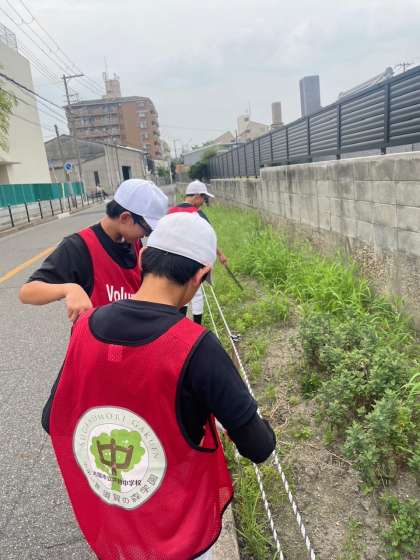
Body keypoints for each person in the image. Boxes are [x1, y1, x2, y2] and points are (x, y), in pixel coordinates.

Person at [45, 212, 275, 560]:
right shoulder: (196, 347)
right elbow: (258, 446)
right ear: (199, 275)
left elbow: (53, 419)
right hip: (175, 529)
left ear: (142, 260)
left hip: (114, 520)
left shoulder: (85, 326)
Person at [19, 178, 168, 322]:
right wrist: (69, 289)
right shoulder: (78, 246)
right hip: (97, 338)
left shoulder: (134, 242)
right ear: (125, 218)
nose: (147, 235)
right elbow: (27, 292)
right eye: (147, 229)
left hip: (133, 335)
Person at [168, 179, 227, 324]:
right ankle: (197, 326)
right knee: (197, 294)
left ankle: (180, 324)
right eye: (203, 198)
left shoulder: (170, 213)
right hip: (192, 259)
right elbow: (208, 239)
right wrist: (220, 254)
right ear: (196, 196)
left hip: (172, 260)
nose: (203, 202)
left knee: (180, 290)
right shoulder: (197, 215)